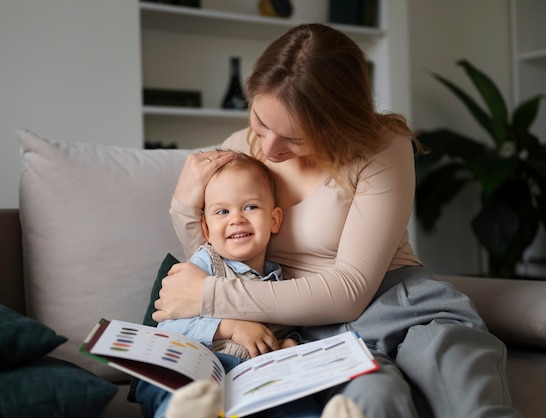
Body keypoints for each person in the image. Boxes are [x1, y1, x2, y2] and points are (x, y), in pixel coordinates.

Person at [153, 23, 521, 418]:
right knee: (373, 401)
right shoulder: (238, 152)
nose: (269, 148)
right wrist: (184, 204)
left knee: (465, 391)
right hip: (315, 336)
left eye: (294, 138)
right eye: (260, 122)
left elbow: (351, 290)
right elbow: (223, 259)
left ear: (338, 123)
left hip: (401, 304)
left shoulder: (382, 145)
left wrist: (208, 295)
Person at [136, 152, 331, 418]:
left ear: (274, 220)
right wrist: (230, 327)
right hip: (198, 367)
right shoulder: (204, 263)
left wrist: (288, 344)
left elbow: (287, 328)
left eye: (250, 207)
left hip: (249, 379)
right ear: (207, 229)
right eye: (222, 211)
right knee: (172, 384)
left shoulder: (280, 282)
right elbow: (169, 326)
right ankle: (183, 411)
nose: (236, 218)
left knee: (295, 400)